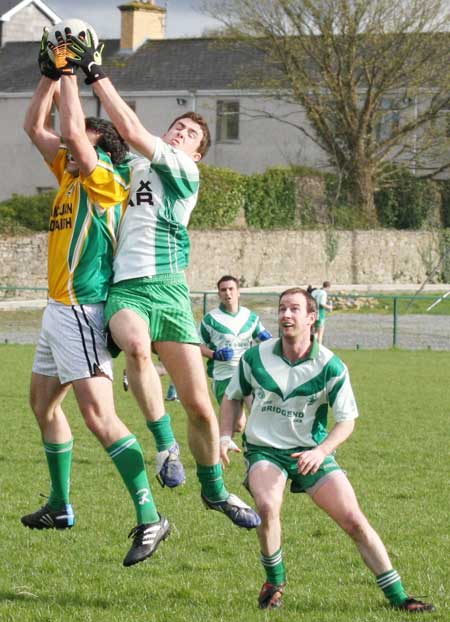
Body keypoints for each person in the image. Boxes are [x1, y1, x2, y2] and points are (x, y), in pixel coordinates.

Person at [65, 32, 261, 528]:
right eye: (176, 126)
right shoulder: (135, 163)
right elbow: (101, 137)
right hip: (126, 289)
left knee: (200, 407)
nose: (179, 133)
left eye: (190, 134)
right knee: (134, 345)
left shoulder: (183, 174)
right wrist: (66, 77)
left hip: (170, 290)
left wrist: (96, 71)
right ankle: (164, 445)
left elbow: (129, 129)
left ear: (196, 155)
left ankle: (214, 492)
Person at [21, 34, 168, 568]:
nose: (66, 145)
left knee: (100, 418)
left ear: (99, 147)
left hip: (83, 310)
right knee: (42, 405)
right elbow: (34, 129)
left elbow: (71, 137)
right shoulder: (69, 175)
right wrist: (47, 72)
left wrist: (70, 75)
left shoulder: (105, 180)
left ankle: (150, 517)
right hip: (57, 310)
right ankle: (61, 505)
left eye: (80, 139)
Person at [219, 287, 435, 612]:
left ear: (311, 317)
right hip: (266, 451)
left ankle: (400, 597)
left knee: (354, 521)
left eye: (294, 309)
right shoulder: (255, 357)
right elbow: (233, 395)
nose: (286, 315)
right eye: (281, 309)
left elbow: (347, 421)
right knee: (266, 506)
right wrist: (224, 435)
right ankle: (274, 582)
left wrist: (321, 451)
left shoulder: (330, 365)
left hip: (311, 452)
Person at [199, 275, 272, 432]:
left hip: (248, 374)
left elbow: (262, 337)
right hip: (224, 377)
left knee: (258, 416)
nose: (227, 293)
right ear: (219, 294)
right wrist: (214, 354)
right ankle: (216, 451)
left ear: (238, 292)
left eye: (231, 289)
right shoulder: (210, 319)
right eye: (223, 290)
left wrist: (267, 339)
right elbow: (198, 346)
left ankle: (256, 451)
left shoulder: (251, 317)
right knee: (237, 425)